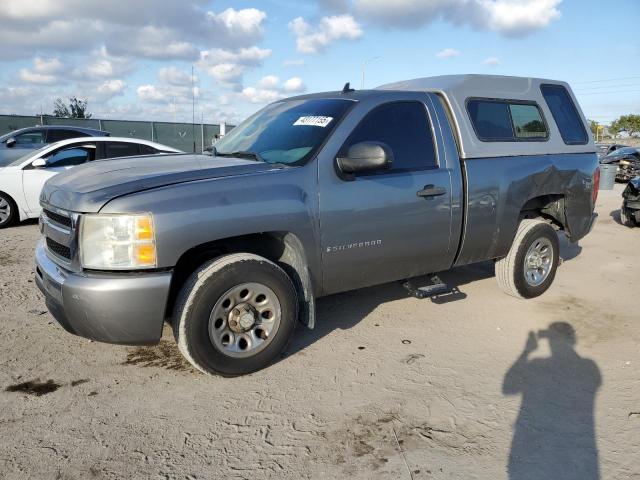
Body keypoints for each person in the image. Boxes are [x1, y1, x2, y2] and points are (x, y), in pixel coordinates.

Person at [503, 322, 601, 480]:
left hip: (531, 446)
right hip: (577, 445)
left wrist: (526, 351)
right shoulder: (590, 366)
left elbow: (508, 388)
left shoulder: (537, 364)